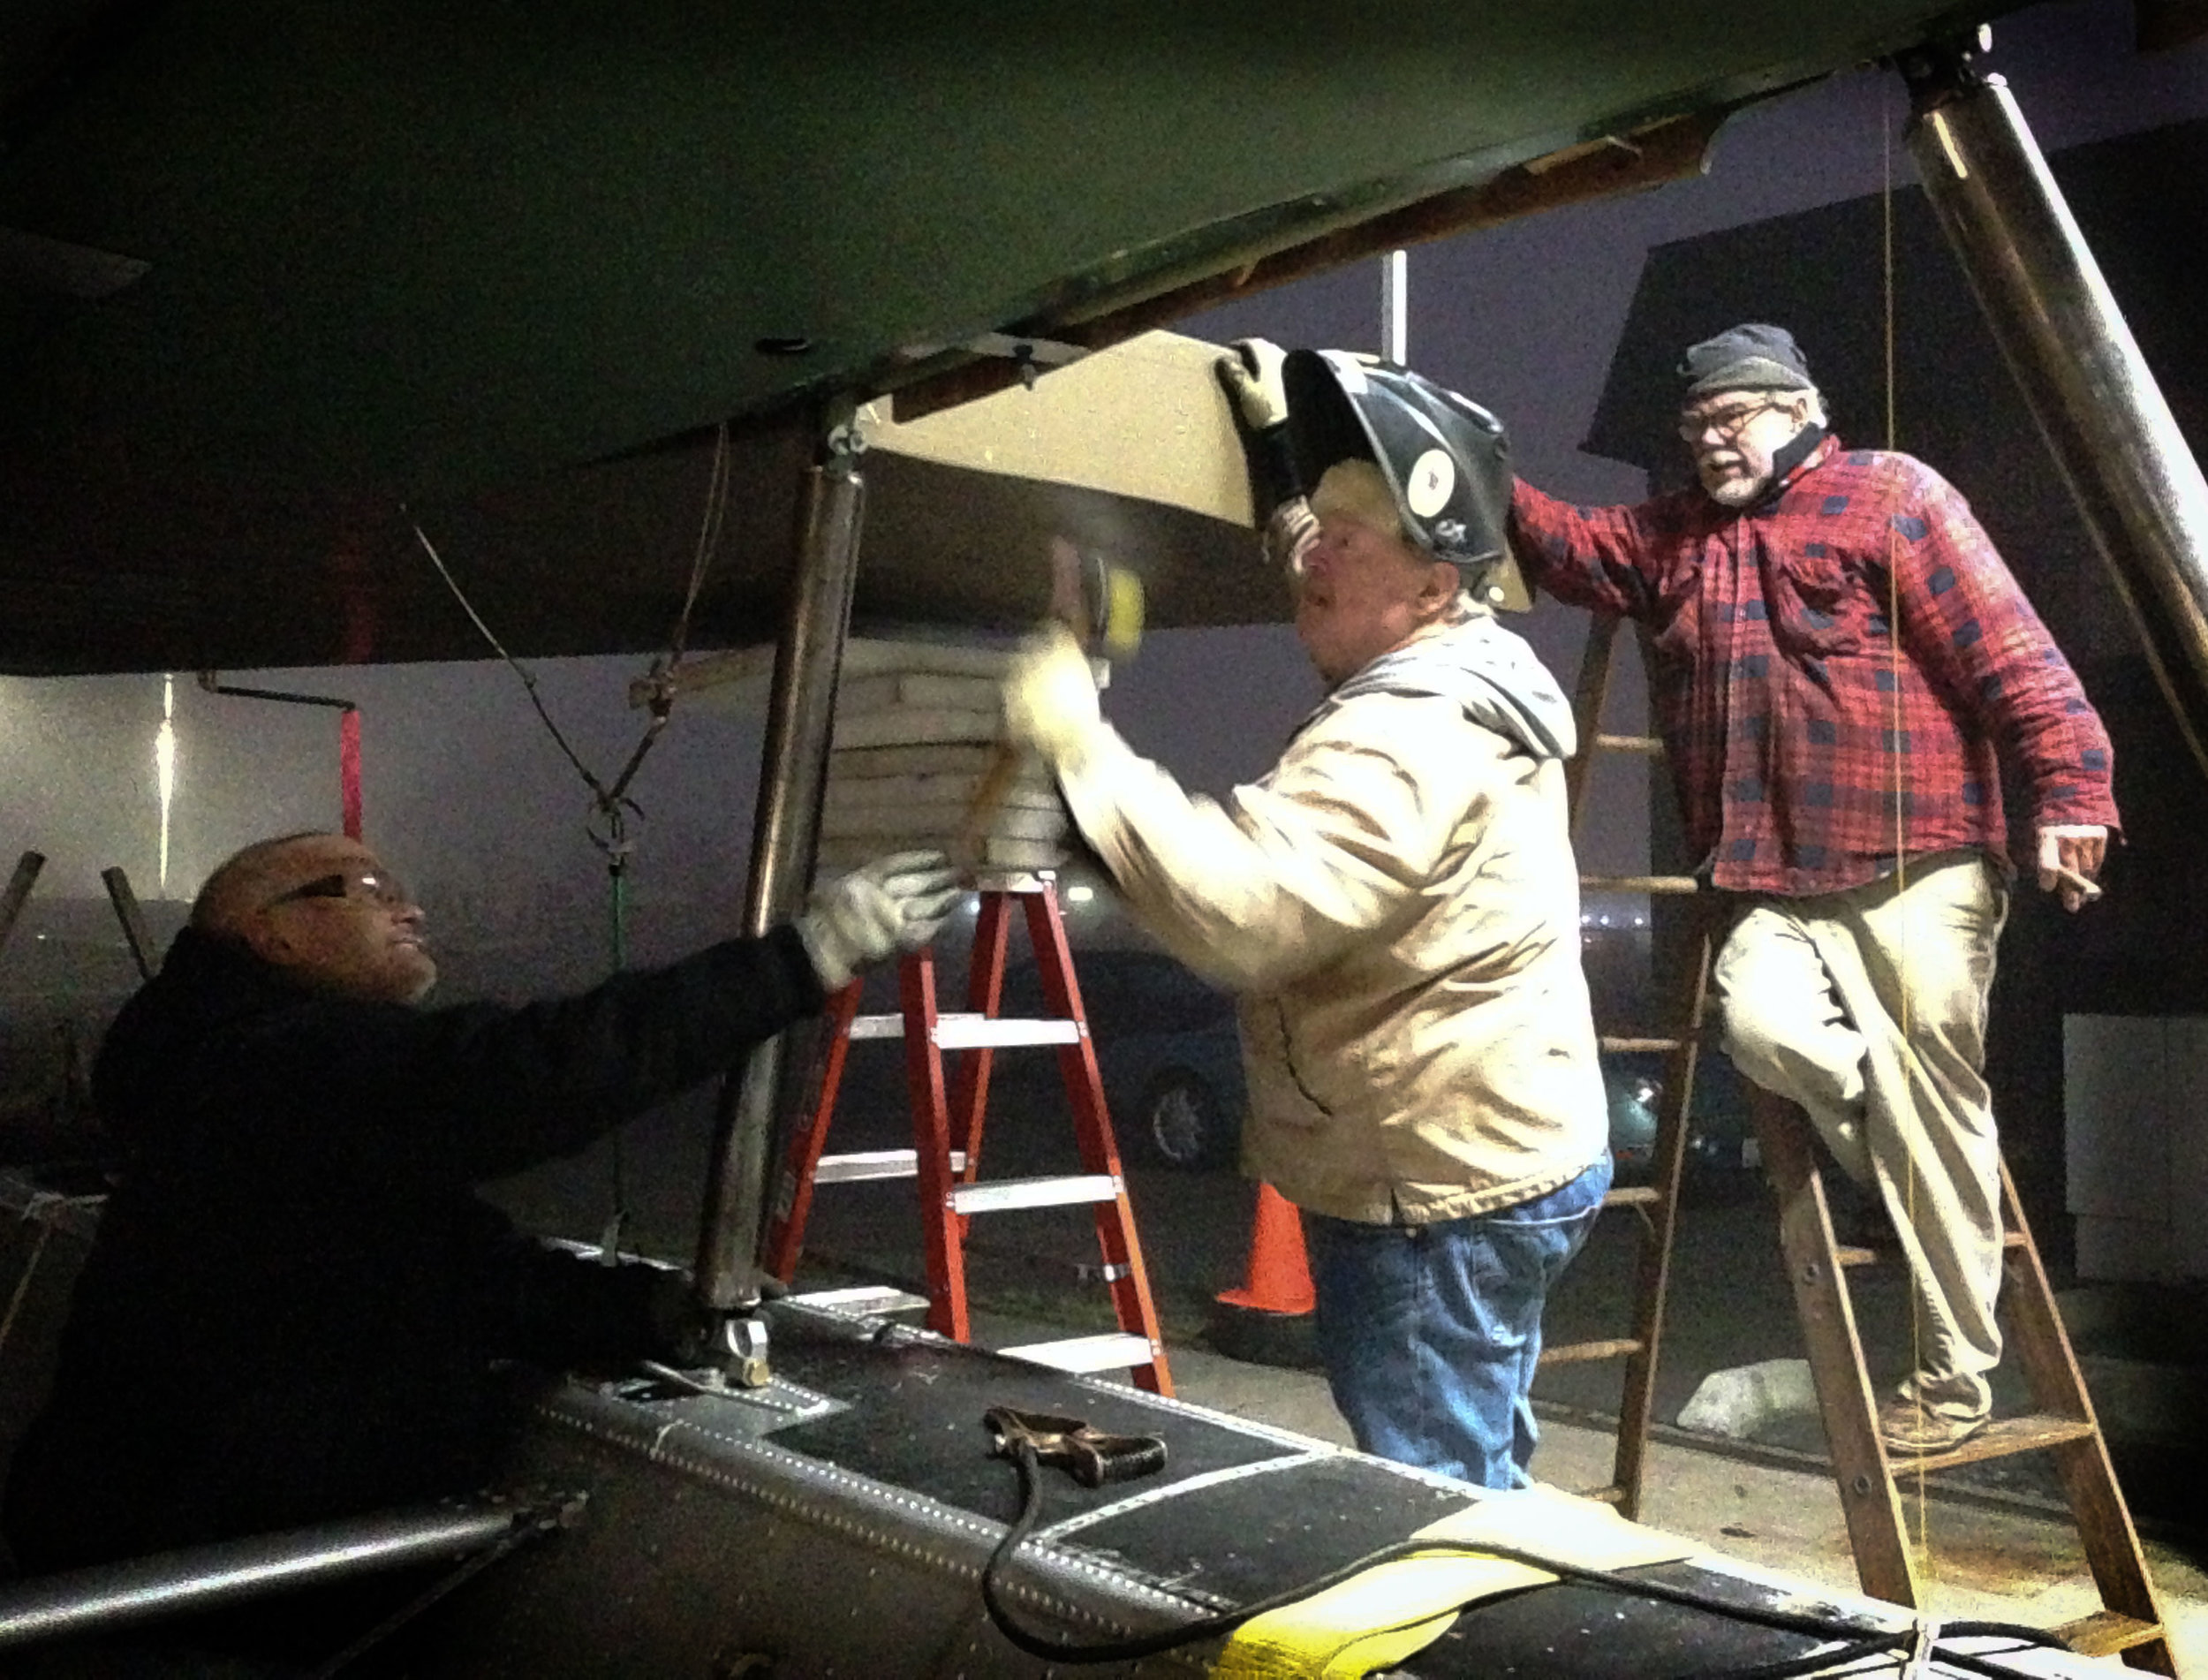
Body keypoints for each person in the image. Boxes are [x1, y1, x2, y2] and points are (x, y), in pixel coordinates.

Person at [3, 830, 961, 1577]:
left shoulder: (254, 1086)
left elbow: (444, 1263)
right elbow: (526, 1077)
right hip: (195, 1567)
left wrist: (648, 1310)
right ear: (269, 932)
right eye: (365, 889)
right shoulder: (266, 1064)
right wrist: (803, 959)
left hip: (213, 1531)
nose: (409, 908)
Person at [999, 347, 1611, 1491]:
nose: (1315, 552)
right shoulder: (1467, 652)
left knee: (1434, 1490)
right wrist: (1293, 476)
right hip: (1501, 1145)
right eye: (1319, 524)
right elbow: (1338, 565)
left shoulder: (1405, 735)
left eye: (1349, 532)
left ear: (1434, 585)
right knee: (1474, 1439)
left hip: (1431, 1189)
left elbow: (1246, 910)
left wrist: (1081, 740)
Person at [1508, 322, 2118, 1455]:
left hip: (1918, 858)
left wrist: (2072, 791)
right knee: (1760, 1027)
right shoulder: (1675, 537)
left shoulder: (1890, 495)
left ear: (1796, 408)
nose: (1708, 443)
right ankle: (1918, 1171)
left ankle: (1950, 1380)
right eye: (1693, 428)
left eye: (1729, 419)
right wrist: (1455, 457)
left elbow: (2013, 655)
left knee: (1926, 1070)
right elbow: (1564, 544)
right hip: (1770, 874)